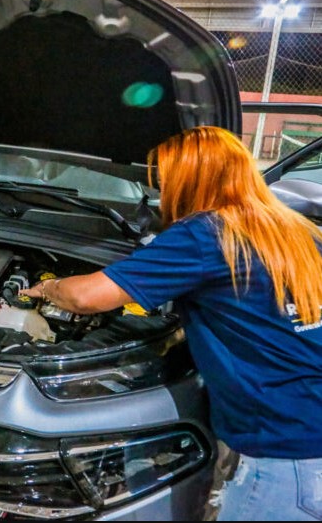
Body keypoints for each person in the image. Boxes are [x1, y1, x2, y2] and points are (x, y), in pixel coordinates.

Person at [21, 126, 322, 522]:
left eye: (166, 181)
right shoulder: (296, 229)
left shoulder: (206, 233)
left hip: (284, 453)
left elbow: (85, 297)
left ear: (192, 179)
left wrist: (45, 288)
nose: (162, 195)